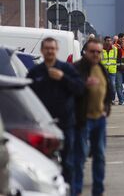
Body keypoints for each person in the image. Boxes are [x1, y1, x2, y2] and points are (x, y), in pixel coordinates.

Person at [27, 37, 84, 189]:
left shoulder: (66, 69)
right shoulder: (35, 72)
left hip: (65, 123)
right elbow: (28, 96)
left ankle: (68, 190)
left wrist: (63, 78)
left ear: (57, 50)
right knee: (40, 161)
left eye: (52, 48)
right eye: (47, 48)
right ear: (42, 51)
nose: (50, 51)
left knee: (68, 162)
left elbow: (80, 89)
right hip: (42, 125)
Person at [73, 38, 112, 196]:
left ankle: (98, 191)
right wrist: (84, 85)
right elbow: (71, 90)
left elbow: (109, 92)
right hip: (83, 120)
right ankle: (76, 191)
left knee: (100, 156)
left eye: (98, 52)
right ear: (86, 52)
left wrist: (106, 109)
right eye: (92, 51)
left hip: (100, 120)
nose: (96, 54)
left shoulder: (102, 68)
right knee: (80, 157)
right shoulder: (77, 68)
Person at [101, 36, 118, 105]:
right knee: (103, 86)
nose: (109, 42)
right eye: (107, 41)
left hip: (112, 70)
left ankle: (112, 99)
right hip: (103, 70)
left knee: (112, 85)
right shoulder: (100, 49)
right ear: (104, 41)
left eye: (110, 40)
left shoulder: (115, 49)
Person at [114, 33, 124, 105]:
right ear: (118, 39)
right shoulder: (114, 46)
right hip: (118, 69)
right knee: (119, 85)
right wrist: (118, 48)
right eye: (121, 39)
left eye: (123, 38)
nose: (122, 40)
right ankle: (121, 100)